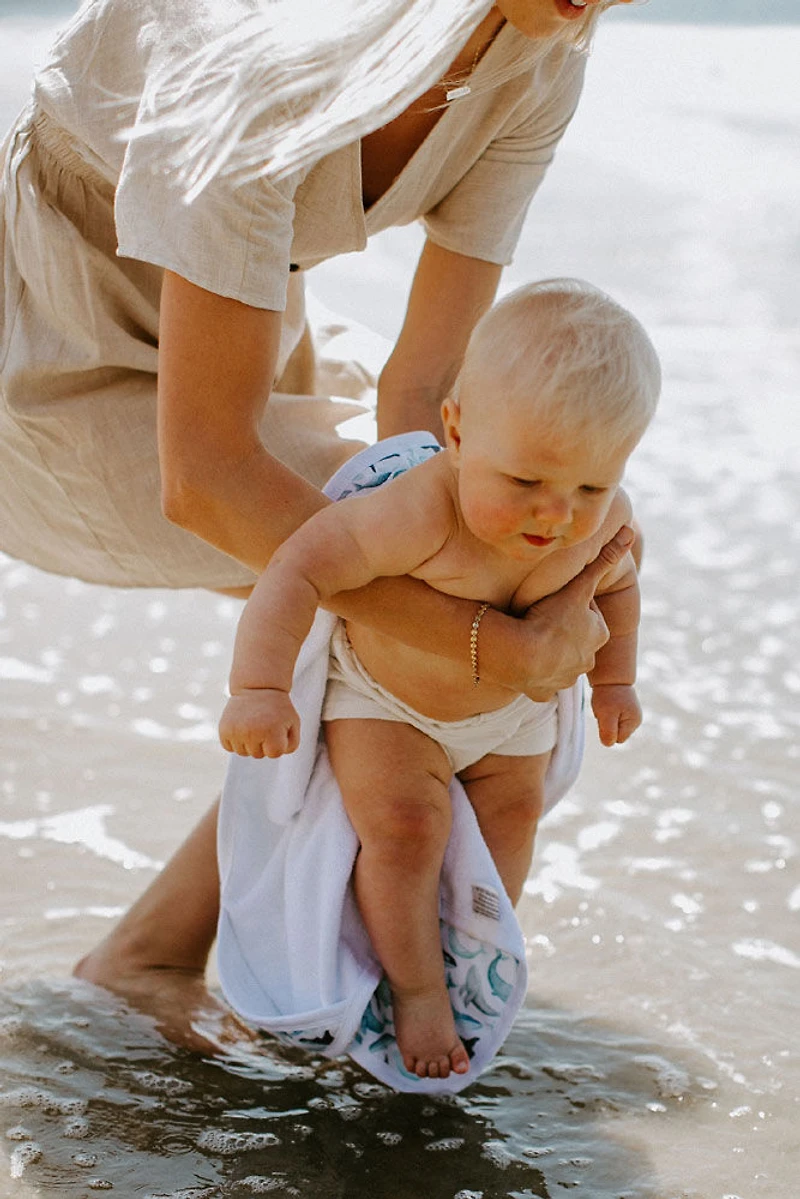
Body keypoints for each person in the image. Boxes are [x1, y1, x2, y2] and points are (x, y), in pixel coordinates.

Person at [0, 0, 636, 1044]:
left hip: (244, 338)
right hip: (54, 361)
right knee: (440, 570)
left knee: (505, 514)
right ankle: (256, 956)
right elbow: (204, 475)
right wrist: (489, 643)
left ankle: (180, 952)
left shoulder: (537, 50)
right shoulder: (255, 45)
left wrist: (479, 591)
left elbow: (423, 392)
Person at [219, 277, 660, 1079]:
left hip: (508, 717)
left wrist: (615, 682)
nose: (555, 514)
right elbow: (299, 568)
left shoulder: (599, 521)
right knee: (407, 829)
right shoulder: (419, 514)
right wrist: (259, 687)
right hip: (389, 704)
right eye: (525, 481)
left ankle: (472, 948)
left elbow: (619, 587)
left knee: (514, 816)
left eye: (591, 486)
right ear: (456, 431)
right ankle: (418, 988)